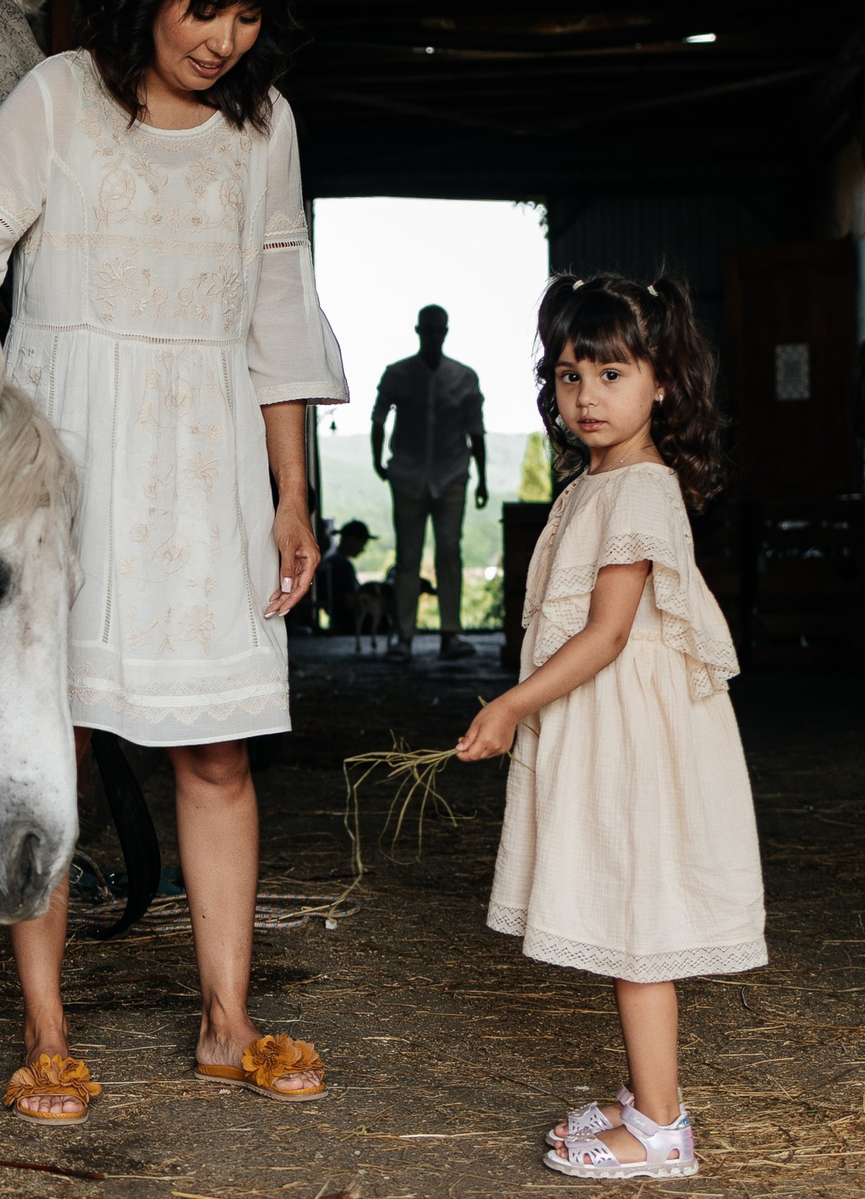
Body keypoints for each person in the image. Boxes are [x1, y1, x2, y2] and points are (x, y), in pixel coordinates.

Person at [0, 0, 348, 1125]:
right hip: (68, 454)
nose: (220, 39)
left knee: (216, 749)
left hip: (204, 467)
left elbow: (276, 322)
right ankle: (45, 1032)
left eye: (246, 20)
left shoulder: (266, 133)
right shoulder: (58, 98)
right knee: (54, 750)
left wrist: (291, 497)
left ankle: (226, 1020)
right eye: (203, 8)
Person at [454, 273, 764, 1181]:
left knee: (637, 926)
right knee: (628, 914)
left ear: (662, 381)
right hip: (608, 722)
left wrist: (512, 704)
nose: (586, 396)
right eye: (568, 376)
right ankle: (645, 1098)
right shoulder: (597, 484)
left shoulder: (639, 489)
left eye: (612, 374)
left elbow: (609, 631)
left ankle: (663, 1128)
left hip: (634, 737)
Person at [370, 305, 488, 661]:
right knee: (408, 556)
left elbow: (476, 430)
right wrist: (377, 459)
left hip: (451, 473)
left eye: (439, 330)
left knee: (449, 552)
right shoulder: (398, 374)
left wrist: (482, 478)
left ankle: (449, 634)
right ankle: (404, 637)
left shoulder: (464, 377)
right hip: (407, 474)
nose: (434, 336)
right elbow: (378, 417)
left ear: (445, 332)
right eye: (429, 330)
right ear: (419, 331)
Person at [318, 518, 373, 642]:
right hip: (348, 621)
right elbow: (350, 601)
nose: (362, 549)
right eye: (362, 543)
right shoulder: (343, 566)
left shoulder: (331, 561)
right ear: (351, 539)